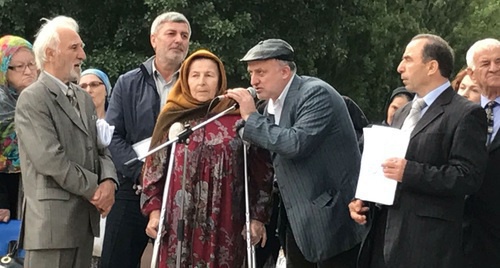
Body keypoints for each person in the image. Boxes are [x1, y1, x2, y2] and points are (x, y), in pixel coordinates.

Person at [349, 34, 488, 268]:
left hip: (427, 245)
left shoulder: (465, 113)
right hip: (383, 237)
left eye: (408, 60)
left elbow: (468, 177)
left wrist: (410, 172)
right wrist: (365, 199)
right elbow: (387, 165)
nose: (399, 67)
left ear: (431, 66)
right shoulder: (403, 112)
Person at [227, 39, 365, 268]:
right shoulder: (269, 106)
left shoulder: (315, 94)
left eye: (261, 72)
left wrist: (251, 119)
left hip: (332, 220)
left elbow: (295, 143)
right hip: (297, 221)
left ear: (285, 71)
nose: (253, 81)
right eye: (251, 73)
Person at [141, 49, 273, 268]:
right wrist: (154, 213)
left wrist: (258, 218)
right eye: (195, 75)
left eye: (209, 75)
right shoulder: (173, 117)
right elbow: (153, 169)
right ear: (185, 79)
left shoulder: (239, 117)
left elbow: (262, 172)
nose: (202, 82)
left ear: (220, 80)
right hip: (179, 219)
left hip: (226, 215)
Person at [14, 16, 118, 268]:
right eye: (74, 47)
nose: (82, 55)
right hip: (51, 229)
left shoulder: (83, 98)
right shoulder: (32, 99)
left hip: (83, 224)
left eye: (81, 47)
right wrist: (96, 189)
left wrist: (109, 182)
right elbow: (51, 160)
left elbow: (100, 147)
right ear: (50, 53)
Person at [102, 11, 191, 268]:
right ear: (154, 39)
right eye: (171, 34)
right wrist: (142, 172)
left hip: (181, 189)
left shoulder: (197, 84)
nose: (178, 40)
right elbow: (112, 136)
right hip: (133, 187)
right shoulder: (128, 83)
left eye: (184, 36)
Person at [463, 38, 500, 268]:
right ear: (472, 72)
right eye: (486, 63)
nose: (494, 68)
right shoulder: (459, 114)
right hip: (461, 235)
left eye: (499, 62)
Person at [79, 68, 114, 268]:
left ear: (106, 89)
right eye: (83, 86)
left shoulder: (118, 122)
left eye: (94, 84)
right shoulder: (75, 124)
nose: (89, 90)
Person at [0, 35, 37, 222]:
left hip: (39, 189)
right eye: (20, 67)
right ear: (4, 70)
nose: (29, 71)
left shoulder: (44, 100)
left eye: (32, 64)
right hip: (5, 191)